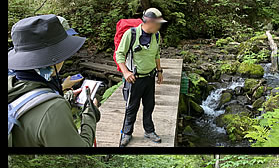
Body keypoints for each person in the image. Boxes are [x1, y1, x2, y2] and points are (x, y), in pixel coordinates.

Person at [8, 14, 99, 146]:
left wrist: (66, 97)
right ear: (54, 59)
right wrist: (90, 114)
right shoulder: (54, 108)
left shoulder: (13, 83)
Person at [116, 8, 167, 146]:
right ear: (149, 22)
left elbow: (156, 54)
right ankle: (126, 133)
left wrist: (159, 71)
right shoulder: (131, 34)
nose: (160, 26)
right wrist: (126, 72)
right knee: (131, 107)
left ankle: (149, 131)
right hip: (134, 79)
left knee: (149, 105)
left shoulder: (156, 35)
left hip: (150, 77)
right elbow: (119, 54)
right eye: (158, 23)